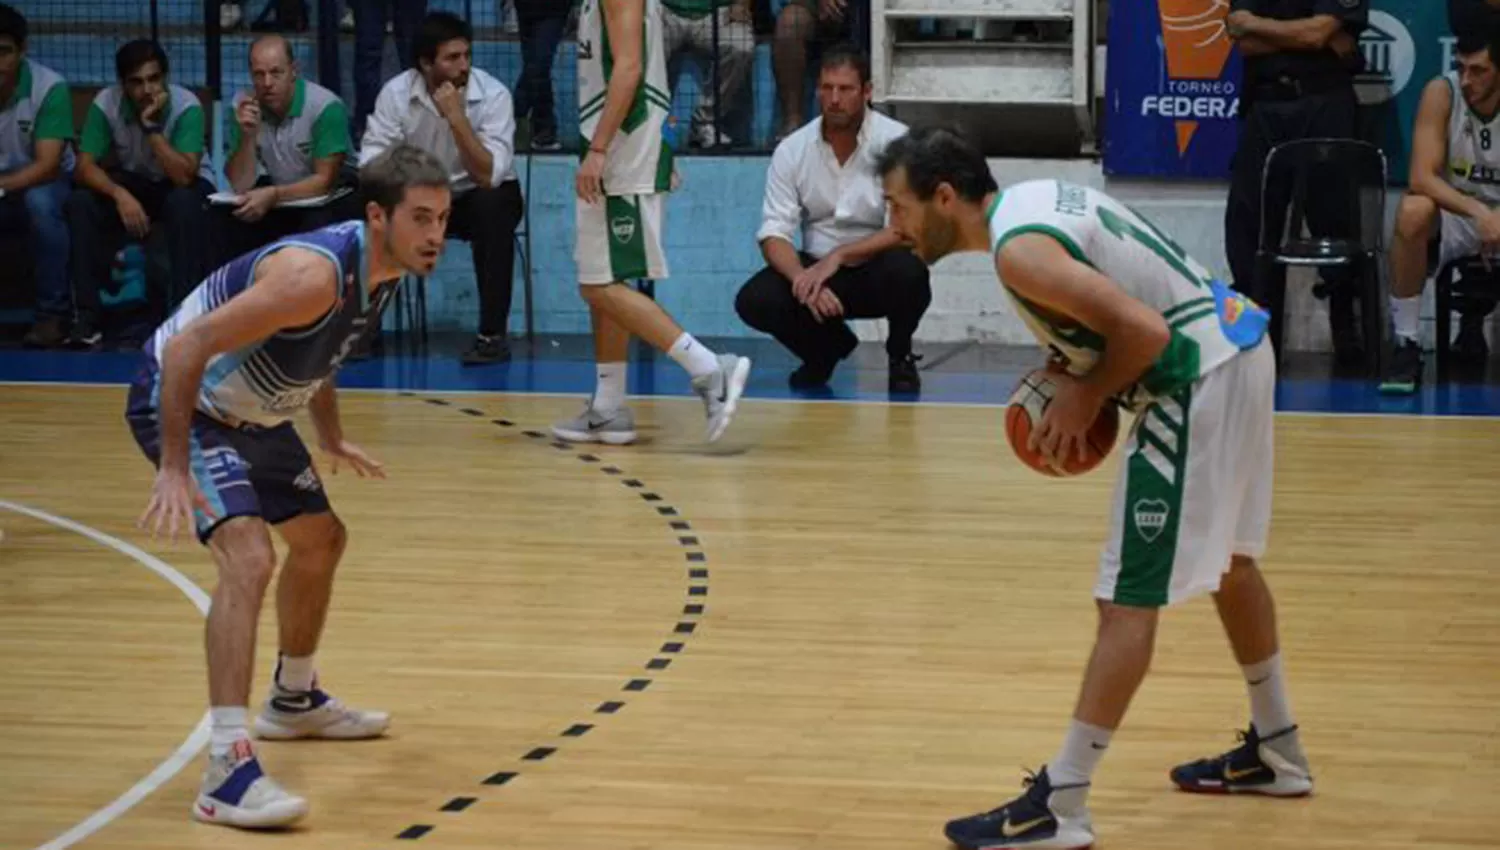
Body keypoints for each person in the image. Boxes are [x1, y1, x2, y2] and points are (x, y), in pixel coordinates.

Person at [877, 127, 1308, 849]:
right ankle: (1279, 748)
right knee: (1231, 561)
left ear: (944, 197)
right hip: (1238, 344)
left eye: (898, 207)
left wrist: (1087, 395)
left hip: (1192, 375)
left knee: (1124, 599)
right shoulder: (1032, 205)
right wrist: (1074, 364)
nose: (892, 227)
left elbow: (1144, 332)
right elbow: (1127, 300)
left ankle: (1063, 802)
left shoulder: (1020, 252)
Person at [127, 144, 451, 829]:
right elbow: (185, 351)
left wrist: (329, 437)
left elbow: (320, 353)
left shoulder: (383, 268)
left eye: (443, 219)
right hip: (191, 403)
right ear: (376, 215)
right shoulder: (311, 274)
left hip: (259, 414)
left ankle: (294, 700)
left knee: (322, 541)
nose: (435, 235)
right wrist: (174, 466)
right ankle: (226, 771)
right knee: (249, 559)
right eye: (421, 218)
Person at [551, 0, 751, 446]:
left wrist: (599, 150)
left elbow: (629, 69)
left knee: (598, 285)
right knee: (605, 281)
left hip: (622, 150)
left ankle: (709, 368)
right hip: (625, 144)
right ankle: (607, 408)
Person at [736, 44, 928, 393]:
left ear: (867, 92)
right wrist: (803, 280)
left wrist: (840, 257)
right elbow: (773, 232)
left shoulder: (898, 141)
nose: (834, 99)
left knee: (910, 273)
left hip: (874, 266)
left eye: (845, 89)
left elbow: (905, 230)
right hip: (816, 268)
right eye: (827, 88)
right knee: (754, 299)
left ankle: (899, 355)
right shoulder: (792, 149)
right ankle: (824, 351)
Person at [361, 11, 525, 365]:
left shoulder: (493, 94)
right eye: (452, 58)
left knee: (493, 206)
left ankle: (492, 336)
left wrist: (457, 118)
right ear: (425, 63)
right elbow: (370, 164)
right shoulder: (396, 94)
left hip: (475, 195)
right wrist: (406, 189)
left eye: (466, 56)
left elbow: (489, 175)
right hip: (419, 197)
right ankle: (361, 329)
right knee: (368, 208)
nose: (463, 66)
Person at [1223, 0, 1368, 361]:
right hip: (1266, 105)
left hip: (1324, 104)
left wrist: (1260, 23)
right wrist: (1308, 38)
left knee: (1335, 219)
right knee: (1249, 224)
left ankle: (1345, 325)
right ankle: (1253, 333)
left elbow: (1316, 35)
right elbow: (1244, 41)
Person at [68, 39, 216, 347]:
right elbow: (83, 168)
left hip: (184, 184)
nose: (146, 90)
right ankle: (87, 318)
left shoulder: (187, 105)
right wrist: (119, 194)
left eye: (153, 79)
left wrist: (151, 128)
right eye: (136, 82)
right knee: (82, 202)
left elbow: (184, 176)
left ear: (165, 78)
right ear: (122, 85)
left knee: (183, 203)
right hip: (135, 183)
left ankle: (184, 317)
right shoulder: (105, 103)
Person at [1381, 31, 1500, 392]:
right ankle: (1407, 342)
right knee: (1413, 210)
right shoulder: (1442, 92)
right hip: (1461, 211)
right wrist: (1479, 213)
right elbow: (1421, 177)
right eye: (1461, 68)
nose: (1467, 80)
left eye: (1478, 71)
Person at [218, 34, 355, 264]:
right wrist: (247, 137)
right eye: (259, 75)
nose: (267, 83)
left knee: (315, 224)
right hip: (285, 195)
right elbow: (241, 184)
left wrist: (273, 195)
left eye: (276, 72)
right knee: (232, 217)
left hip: (333, 196)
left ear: (294, 71)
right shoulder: (244, 107)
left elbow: (324, 181)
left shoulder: (325, 106)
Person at [0, 2, 73, 348]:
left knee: (40, 204)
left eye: (4, 52)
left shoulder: (49, 87)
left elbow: (47, 165)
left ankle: (51, 316)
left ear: (22, 50)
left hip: (48, 182)